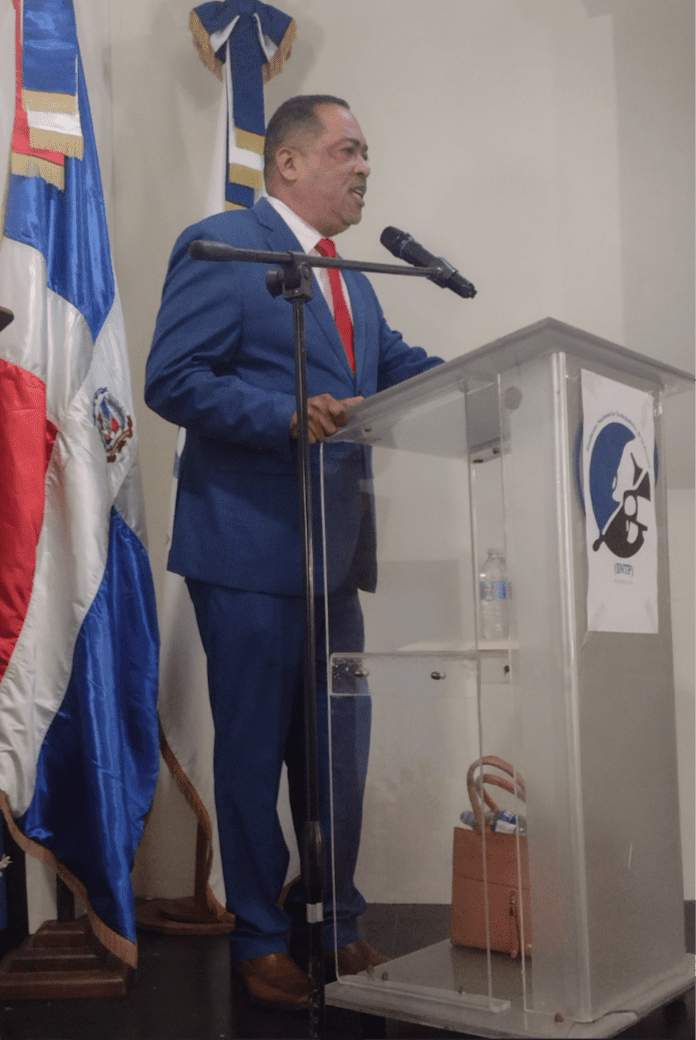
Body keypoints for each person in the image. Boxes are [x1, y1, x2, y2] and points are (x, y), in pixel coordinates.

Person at [145, 95, 443, 1010]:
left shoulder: (351, 278)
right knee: (251, 756)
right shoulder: (224, 248)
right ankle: (260, 936)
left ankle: (334, 921)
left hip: (334, 555)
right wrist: (282, 416)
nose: (364, 168)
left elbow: (392, 366)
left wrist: (489, 385)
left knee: (336, 755)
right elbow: (173, 378)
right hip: (246, 549)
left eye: (365, 154)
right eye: (349, 151)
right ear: (289, 163)